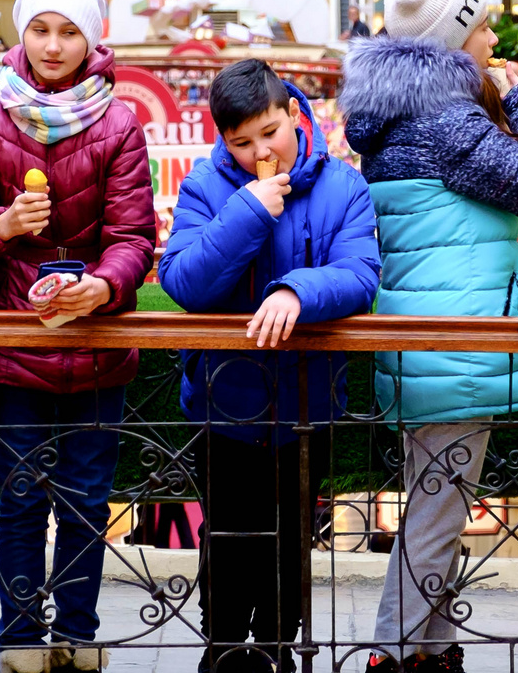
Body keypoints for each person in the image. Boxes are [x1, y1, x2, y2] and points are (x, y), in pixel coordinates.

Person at [339, 0, 518, 673]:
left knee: (436, 495)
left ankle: (433, 651)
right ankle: (391, 652)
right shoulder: (448, 119)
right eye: (484, 28)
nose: (495, 40)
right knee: (438, 508)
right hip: (458, 339)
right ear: (451, 42)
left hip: (423, 338)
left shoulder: (402, 117)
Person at [0, 0, 156, 673]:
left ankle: (80, 634)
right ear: (21, 33)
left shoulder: (120, 123)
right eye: (41, 29)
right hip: (15, 335)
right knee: (24, 494)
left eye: (68, 32)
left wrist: (103, 287)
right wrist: (0, 224)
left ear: (91, 40)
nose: (53, 45)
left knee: (90, 499)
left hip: (95, 333)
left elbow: (134, 237)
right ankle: (21, 637)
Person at [157, 59, 380, 673]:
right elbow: (183, 281)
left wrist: (294, 292)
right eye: (242, 141)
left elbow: (360, 276)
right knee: (227, 536)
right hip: (223, 402)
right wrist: (251, 210)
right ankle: (223, 650)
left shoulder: (342, 185)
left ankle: (278, 647)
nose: (262, 150)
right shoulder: (206, 186)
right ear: (223, 141)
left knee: (290, 538)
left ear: (293, 114)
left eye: (270, 132)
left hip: (307, 406)